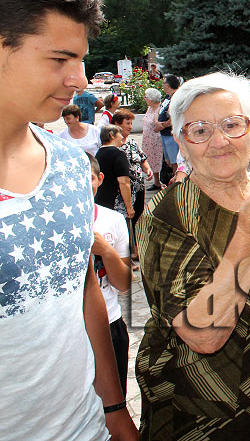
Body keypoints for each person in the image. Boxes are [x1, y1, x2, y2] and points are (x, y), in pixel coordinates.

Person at [0, 0, 137, 440]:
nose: (79, 80)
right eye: (60, 58)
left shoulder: (67, 165)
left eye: (81, 58)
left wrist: (115, 407)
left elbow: (84, 290)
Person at [135, 72, 250, 439]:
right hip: (203, 416)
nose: (219, 141)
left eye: (232, 125)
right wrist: (249, 230)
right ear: (182, 144)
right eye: (200, 130)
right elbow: (203, 335)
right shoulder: (167, 215)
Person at [88, 152, 133, 397]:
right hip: (70, 330)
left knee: (115, 400)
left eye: (89, 178)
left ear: (100, 179)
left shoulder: (113, 220)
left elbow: (124, 283)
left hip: (110, 323)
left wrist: (105, 250)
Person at [111, 108, 153, 261]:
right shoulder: (113, 145)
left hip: (139, 187)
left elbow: (142, 158)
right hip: (123, 190)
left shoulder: (132, 141)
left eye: (131, 123)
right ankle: (128, 252)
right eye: (127, 123)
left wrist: (147, 169)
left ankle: (138, 248)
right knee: (125, 219)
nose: (130, 126)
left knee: (139, 218)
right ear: (117, 124)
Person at [94, 124, 134, 220]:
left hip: (101, 200)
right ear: (112, 135)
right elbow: (123, 182)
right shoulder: (118, 154)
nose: (122, 136)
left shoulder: (99, 153)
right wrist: (129, 207)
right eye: (119, 133)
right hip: (116, 203)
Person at [154, 74, 181, 178]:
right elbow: (159, 110)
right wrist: (157, 122)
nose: (162, 85)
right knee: (169, 161)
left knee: (175, 161)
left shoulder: (176, 97)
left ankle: (178, 182)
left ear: (168, 85)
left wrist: (163, 125)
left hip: (171, 134)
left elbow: (175, 116)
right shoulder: (167, 97)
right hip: (164, 134)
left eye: (164, 83)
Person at [142, 87, 163, 190]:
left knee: (157, 160)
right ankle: (156, 181)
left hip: (156, 140)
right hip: (148, 140)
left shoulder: (160, 109)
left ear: (150, 99)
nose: (145, 99)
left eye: (146, 97)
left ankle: (160, 181)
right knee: (151, 159)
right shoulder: (150, 108)